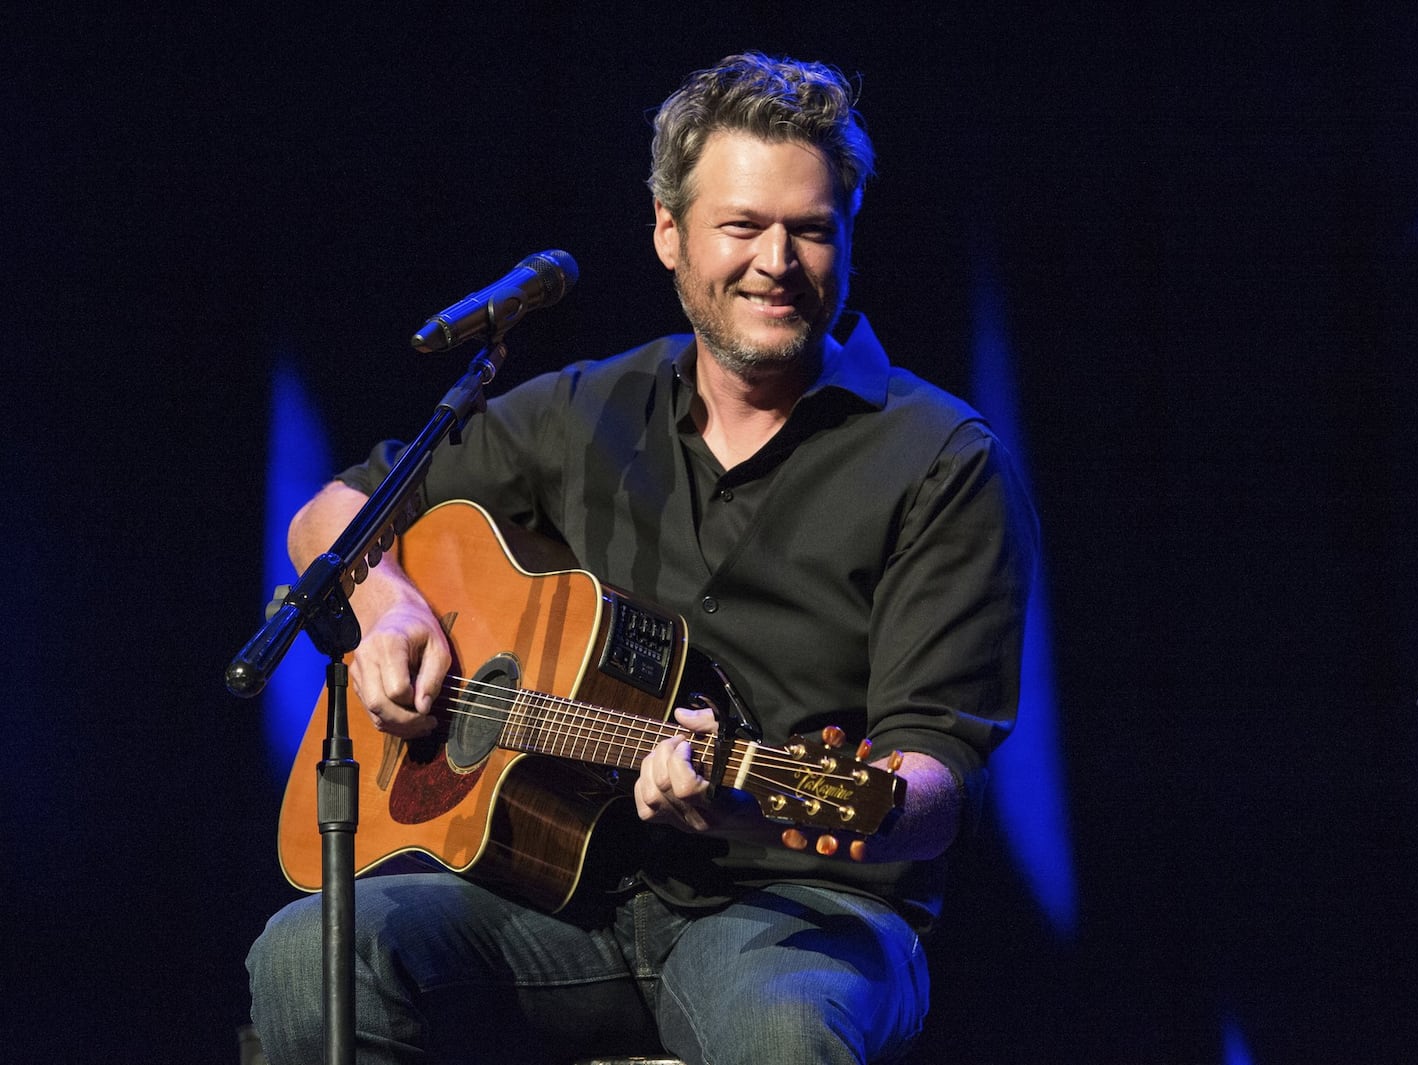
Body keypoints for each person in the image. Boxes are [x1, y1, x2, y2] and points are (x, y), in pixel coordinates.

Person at [247, 51, 1037, 1065]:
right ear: (669, 233)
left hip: (798, 910)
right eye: (742, 227)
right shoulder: (583, 409)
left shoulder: (941, 460)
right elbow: (334, 512)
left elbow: (934, 781)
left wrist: (756, 791)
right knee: (308, 954)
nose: (776, 263)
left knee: (782, 1031)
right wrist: (388, 608)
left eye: (809, 230)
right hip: (550, 891)